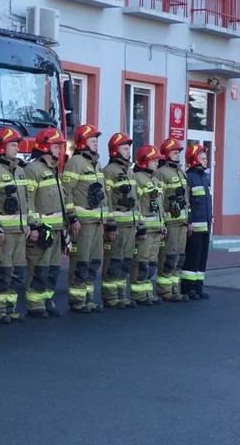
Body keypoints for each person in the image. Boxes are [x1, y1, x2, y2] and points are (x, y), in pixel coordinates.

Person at [62, 124, 113, 313]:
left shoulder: (96, 163)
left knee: (94, 262)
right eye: (93, 140)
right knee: (81, 262)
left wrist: (107, 220)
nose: (96, 144)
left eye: (97, 141)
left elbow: (104, 195)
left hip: (97, 222)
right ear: (83, 142)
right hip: (82, 224)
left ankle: (88, 298)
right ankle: (77, 300)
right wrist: (72, 218)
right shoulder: (75, 162)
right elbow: (66, 192)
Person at [0, 127, 32, 324]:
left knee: (18, 271)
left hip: (20, 231)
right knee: (2, 272)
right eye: (13, 145)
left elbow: (26, 200)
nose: (17, 149)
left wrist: (28, 223)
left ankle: (9, 307)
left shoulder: (20, 170)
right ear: (1, 147)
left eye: (17, 145)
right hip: (3, 233)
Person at [23, 127, 67, 317]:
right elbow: (28, 200)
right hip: (43, 228)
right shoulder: (33, 169)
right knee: (39, 267)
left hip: (56, 228)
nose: (60, 149)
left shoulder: (54, 168)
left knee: (53, 268)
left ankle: (47, 300)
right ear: (46, 147)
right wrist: (32, 225)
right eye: (57, 146)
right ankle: (35, 304)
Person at [102, 132, 137, 308]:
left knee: (126, 262)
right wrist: (111, 224)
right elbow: (106, 199)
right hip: (117, 226)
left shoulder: (129, 171)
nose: (128, 152)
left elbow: (136, 199)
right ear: (115, 151)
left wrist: (139, 224)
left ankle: (121, 294)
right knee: (114, 261)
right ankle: (110, 296)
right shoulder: (109, 171)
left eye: (129, 148)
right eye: (125, 148)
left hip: (130, 225)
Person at [155, 138, 191, 302]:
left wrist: (188, 220)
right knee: (168, 257)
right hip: (170, 224)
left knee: (179, 258)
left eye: (178, 153)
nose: (178, 156)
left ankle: (174, 288)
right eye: (175, 153)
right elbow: (159, 200)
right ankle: (164, 290)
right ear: (166, 154)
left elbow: (186, 198)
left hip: (182, 223)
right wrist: (162, 223)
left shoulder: (181, 172)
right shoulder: (162, 172)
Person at [130, 144, 164, 305]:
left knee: (152, 261)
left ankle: (147, 290)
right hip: (146, 229)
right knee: (141, 261)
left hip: (156, 229)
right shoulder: (138, 178)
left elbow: (160, 206)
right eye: (154, 161)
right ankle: (138, 293)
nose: (157, 164)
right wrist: (140, 225)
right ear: (144, 161)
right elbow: (136, 205)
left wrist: (162, 225)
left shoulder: (156, 180)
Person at [182, 144, 213, 299]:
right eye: (203, 158)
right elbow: (187, 203)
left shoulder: (204, 178)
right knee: (192, 259)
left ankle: (198, 287)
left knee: (202, 260)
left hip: (205, 227)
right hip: (194, 228)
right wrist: (189, 222)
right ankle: (188, 289)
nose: (206, 161)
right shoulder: (189, 178)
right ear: (194, 160)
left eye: (206, 158)